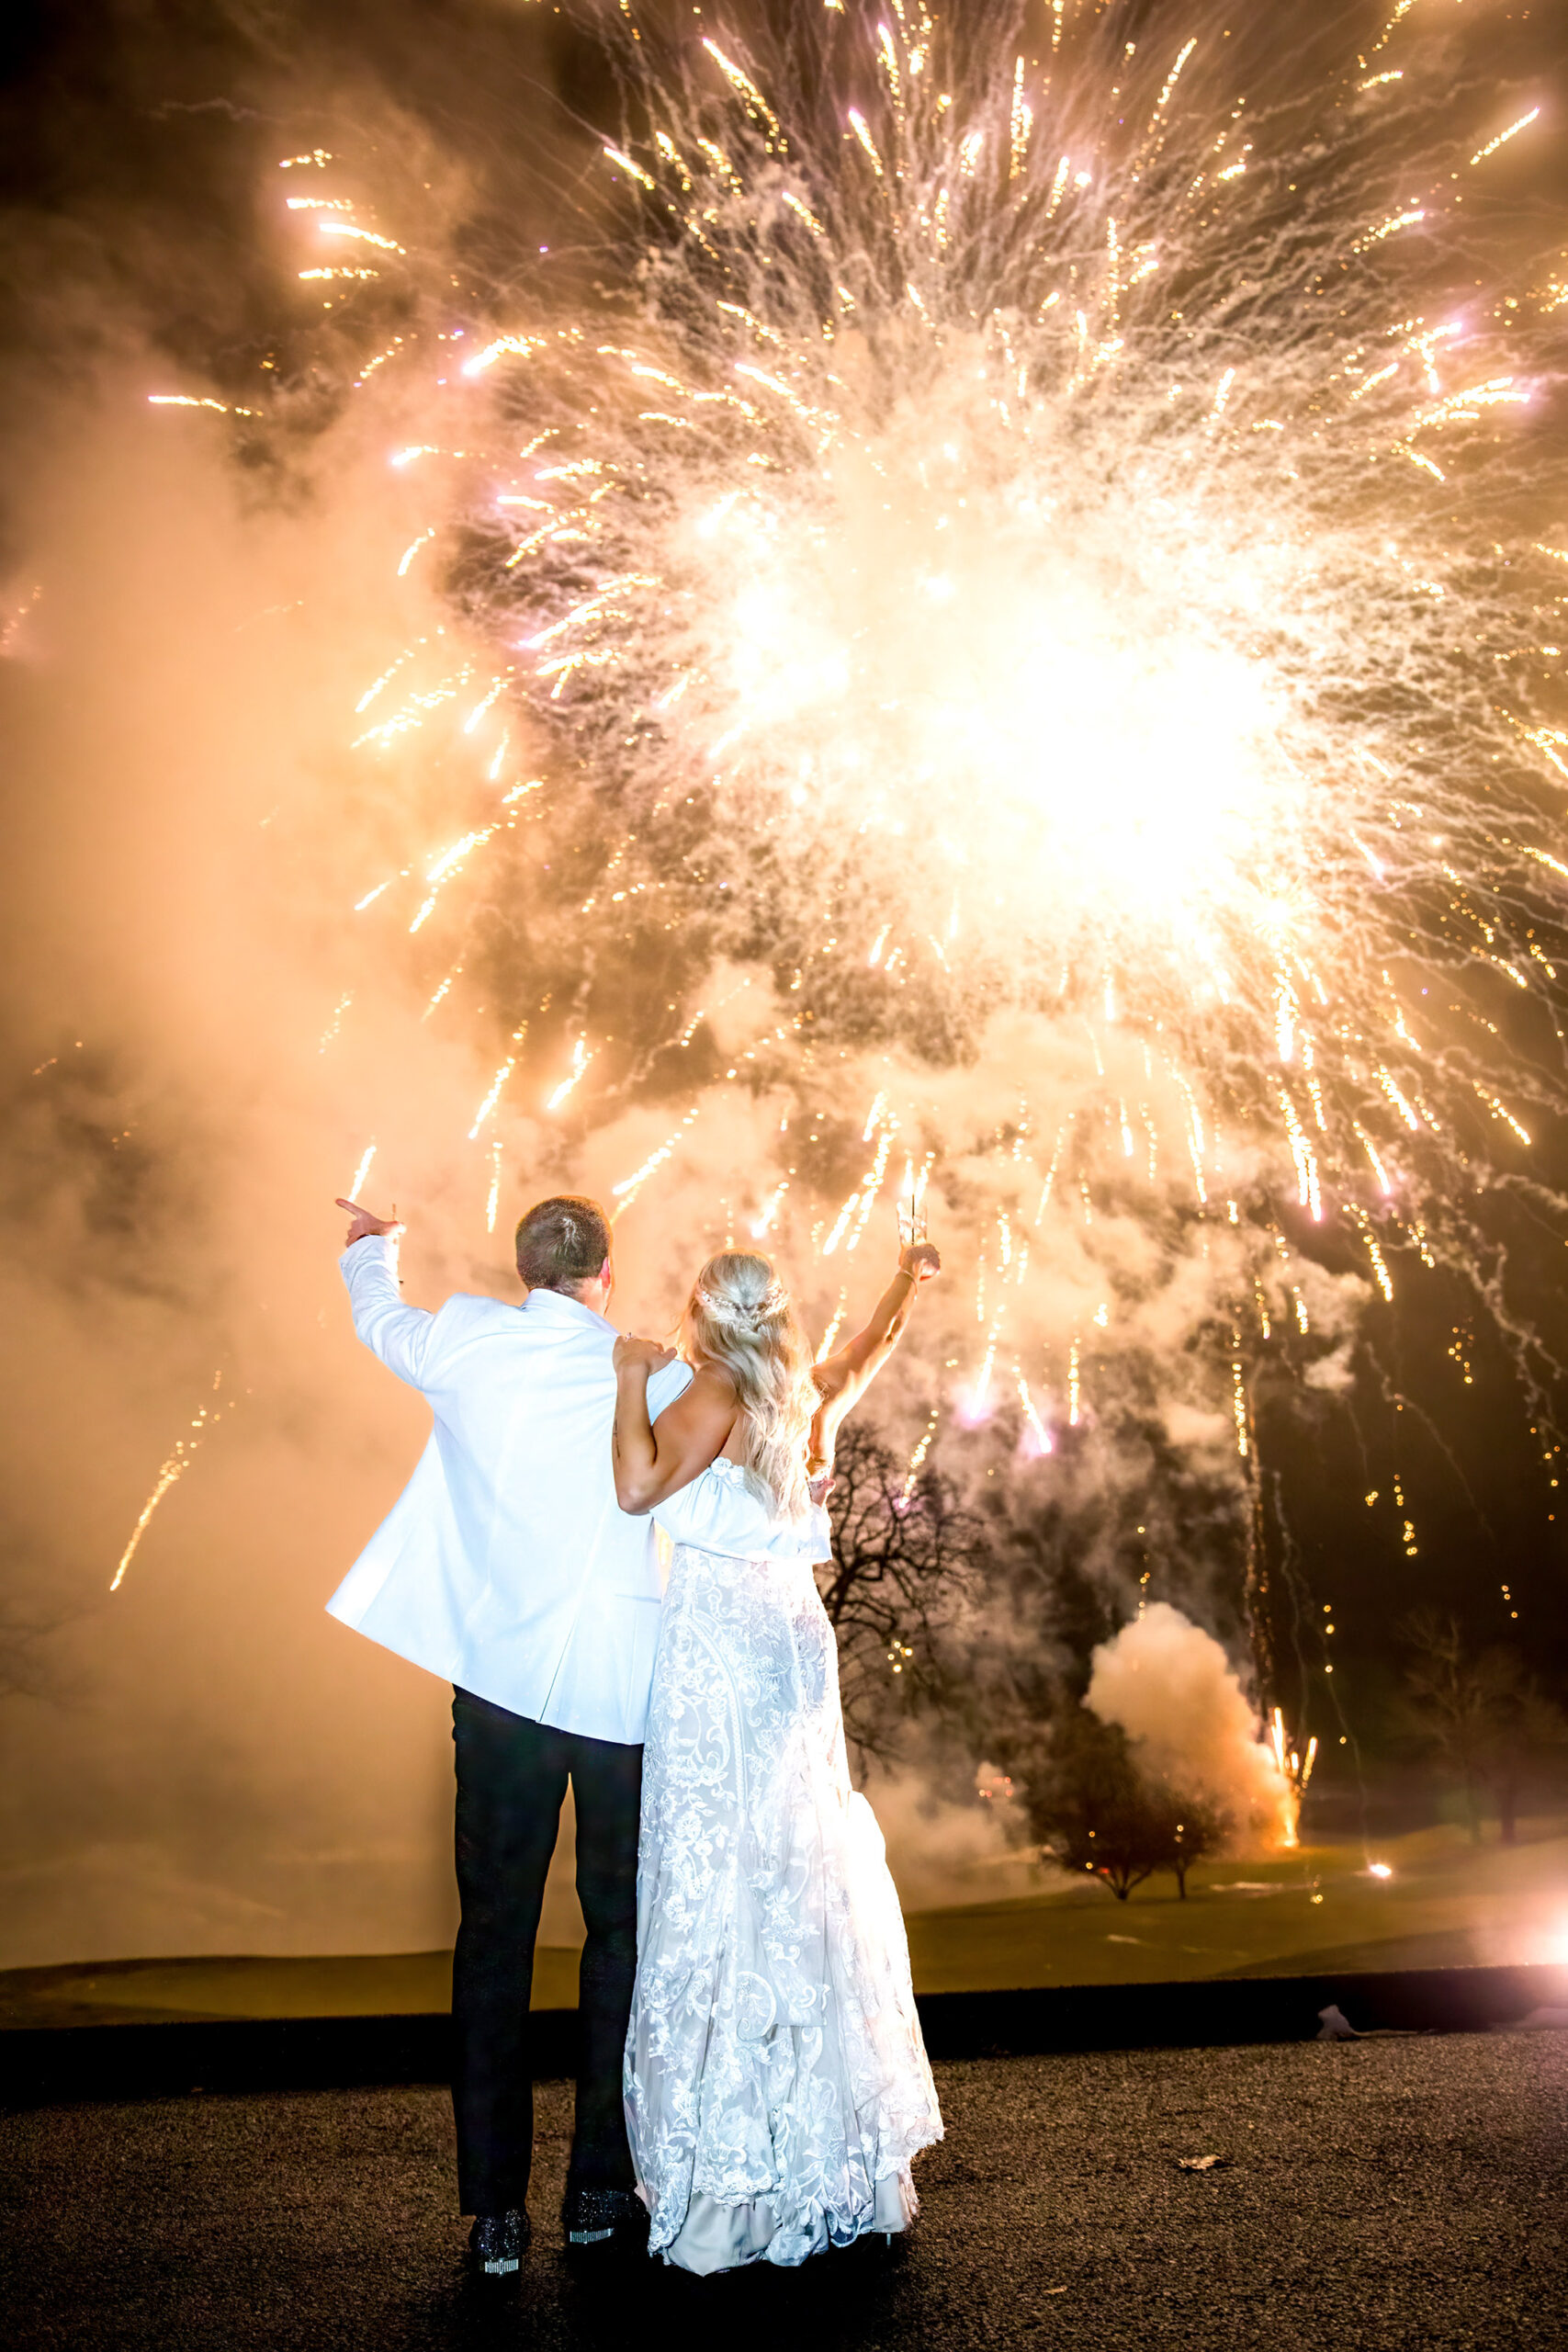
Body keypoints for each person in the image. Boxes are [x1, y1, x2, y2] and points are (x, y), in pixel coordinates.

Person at [325, 1191, 694, 2279]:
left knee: (493, 1940)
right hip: (622, 1698)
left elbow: (376, 1319)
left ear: (524, 1269)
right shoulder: (653, 1369)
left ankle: (493, 2212)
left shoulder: (469, 1341)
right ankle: (595, 2188)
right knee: (619, 1938)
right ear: (605, 1276)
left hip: (497, 1697)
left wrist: (368, 1248)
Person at [609, 1235, 944, 2272]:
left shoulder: (711, 1391)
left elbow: (636, 1487)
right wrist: (908, 1277)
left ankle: (733, 2182)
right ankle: (836, 2159)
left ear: (707, 1308)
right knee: (798, 1860)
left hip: (720, 1641)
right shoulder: (799, 1393)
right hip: (794, 1638)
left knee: (724, 1865)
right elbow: (869, 1350)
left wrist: (629, 1379)